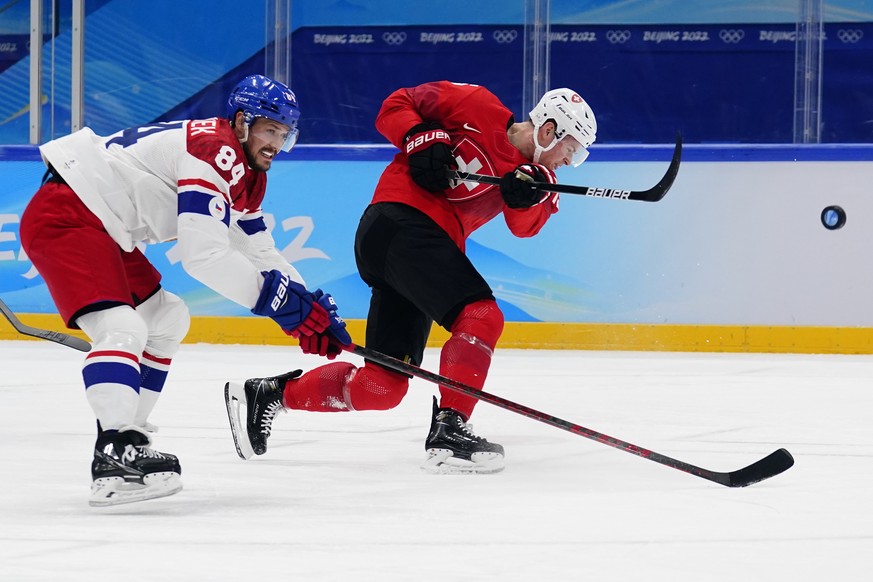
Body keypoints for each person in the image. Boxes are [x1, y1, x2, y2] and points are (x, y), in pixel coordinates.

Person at [225, 81, 596, 474]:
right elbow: (397, 103)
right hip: (397, 222)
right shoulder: (475, 101)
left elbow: (524, 227)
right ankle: (451, 430)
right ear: (548, 130)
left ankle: (268, 395)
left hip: (413, 255)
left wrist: (529, 191)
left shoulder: (540, 178)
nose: (566, 162)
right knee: (482, 315)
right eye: (569, 151)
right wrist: (419, 134)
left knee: (381, 388)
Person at [19, 74, 350, 506]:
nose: (276, 143)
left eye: (284, 134)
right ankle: (117, 451)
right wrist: (281, 306)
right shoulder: (215, 150)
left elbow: (258, 249)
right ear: (243, 121)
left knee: (166, 317)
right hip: (69, 216)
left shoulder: (246, 170)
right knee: (121, 327)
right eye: (271, 129)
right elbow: (204, 255)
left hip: (105, 225)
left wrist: (309, 305)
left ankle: (125, 444)